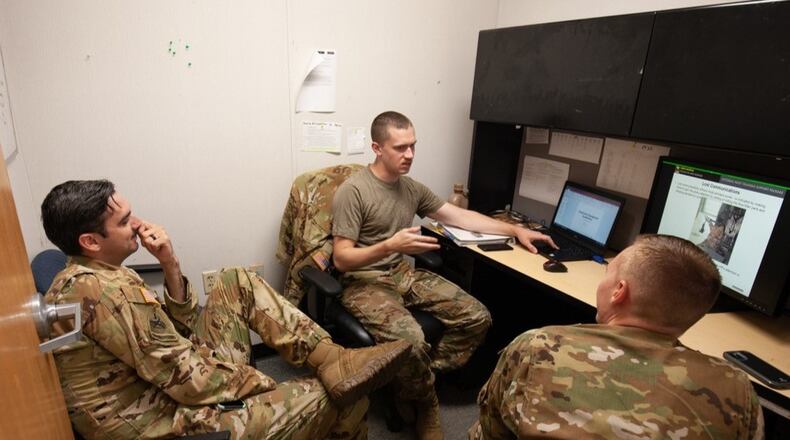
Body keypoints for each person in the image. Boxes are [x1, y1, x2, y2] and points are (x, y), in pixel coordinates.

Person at [41, 179, 412, 440]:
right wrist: (261, 384)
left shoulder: (100, 272)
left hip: (170, 386)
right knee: (343, 395)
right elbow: (189, 383)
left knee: (237, 280)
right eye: (124, 222)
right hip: (164, 422)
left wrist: (170, 263)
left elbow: (181, 330)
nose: (136, 224)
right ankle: (333, 385)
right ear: (90, 241)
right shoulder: (103, 291)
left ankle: (333, 359)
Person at [331, 111, 556, 439]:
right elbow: (341, 259)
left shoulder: (411, 189)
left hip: (401, 275)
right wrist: (390, 245)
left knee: (477, 317)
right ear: (377, 148)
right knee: (412, 341)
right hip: (363, 281)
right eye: (400, 147)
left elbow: (460, 217)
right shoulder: (353, 191)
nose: (410, 154)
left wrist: (514, 230)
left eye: (413, 146)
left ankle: (417, 382)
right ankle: (427, 403)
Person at [469, 234, 764, 440]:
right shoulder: (736, 388)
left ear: (619, 291)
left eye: (608, 272)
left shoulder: (537, 346)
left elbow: (491, 432)